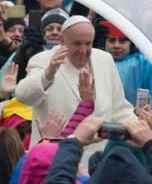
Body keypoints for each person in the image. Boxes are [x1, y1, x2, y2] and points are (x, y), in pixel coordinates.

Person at [15, 15, 136, 144]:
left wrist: (140, 131)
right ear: (62, 41)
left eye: (88, 43)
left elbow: (120, 108)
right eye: (77, 44)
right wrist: (48, 74)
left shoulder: (104, 59)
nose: (83, 50)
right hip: (54, 156)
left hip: (98, 156)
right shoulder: (43, 60)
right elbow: (23, 97)